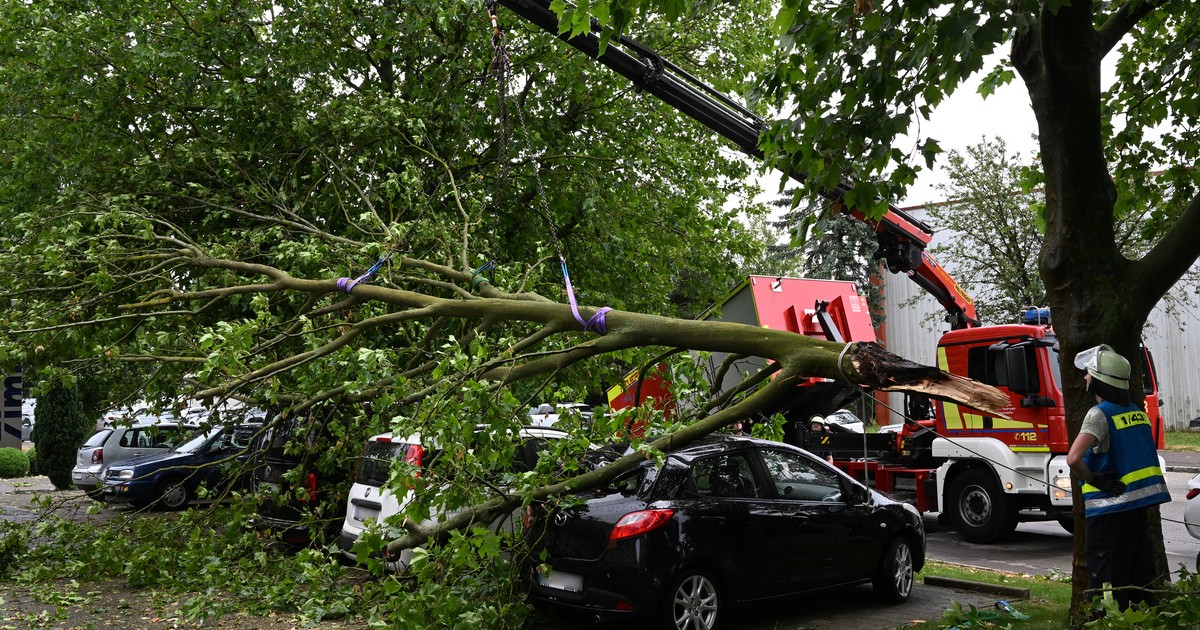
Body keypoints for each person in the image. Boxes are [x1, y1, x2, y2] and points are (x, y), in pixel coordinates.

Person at [1065, 344, 1171, 612]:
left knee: (1107, 587)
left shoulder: (1098, 414)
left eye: (1088, 374)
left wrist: (1094, 478)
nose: (1085, 379)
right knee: (1137, 582)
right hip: (1136, 513)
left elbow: (1073, 458)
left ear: (1099, 380)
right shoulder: (1137, 411)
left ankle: (1106, 623)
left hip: (1107, 516)